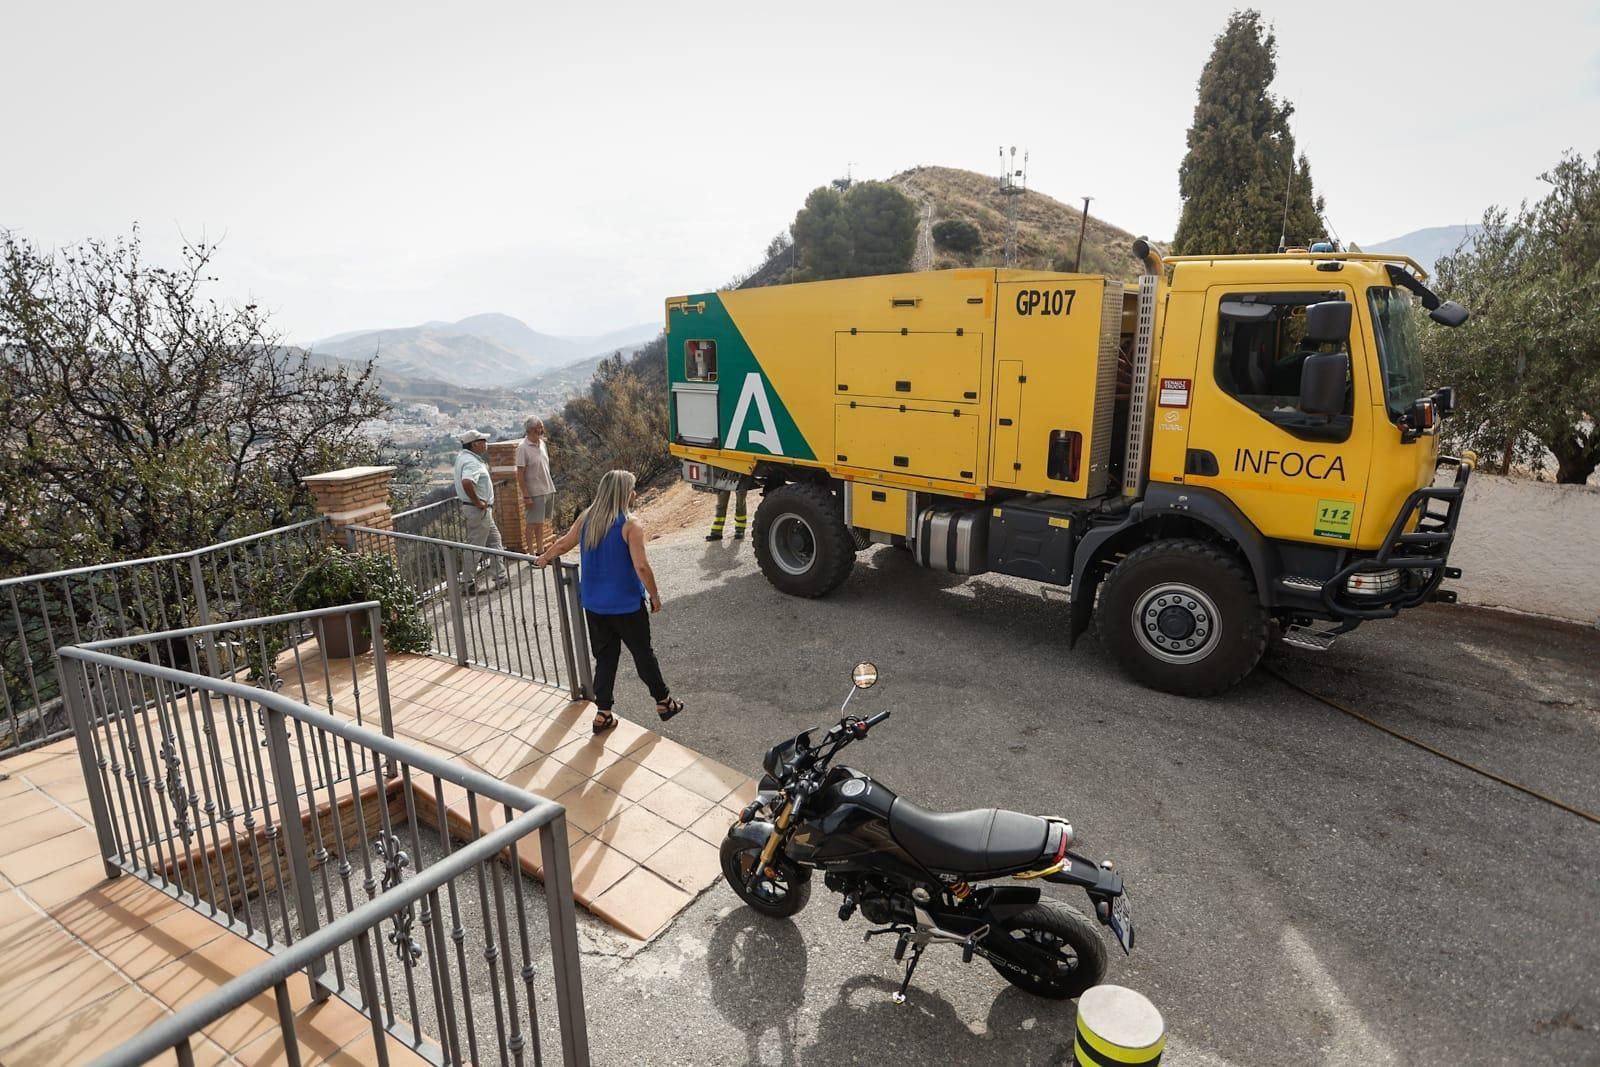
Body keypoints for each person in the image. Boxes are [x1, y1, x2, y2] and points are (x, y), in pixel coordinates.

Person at [534, 469, 683, 733]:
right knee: (642, 655)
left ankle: (603, 713)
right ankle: (663, 701)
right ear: (623, 493)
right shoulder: (630, 524)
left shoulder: (587, 519)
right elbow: (642, 567)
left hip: (594, 605)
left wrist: (545, 558)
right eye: (632, 489)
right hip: (626, 605)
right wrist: (655, 595)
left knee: (605, 658)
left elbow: (563, 544)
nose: (635, 493)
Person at [453, 430, 509, 593]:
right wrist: (478, 501)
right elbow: (467, 482)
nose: (486, 443)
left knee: (495, 541)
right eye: (483, 440)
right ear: (475, 444)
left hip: (477, 510)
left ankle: (500, 577)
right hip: (478, 510)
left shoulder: (463, 457)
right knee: (475, 547)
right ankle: (467, 584)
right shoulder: (472, 462)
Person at [515, 416, 555, 553]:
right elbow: (519, 474)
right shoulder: (522, 448)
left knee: (540, 523)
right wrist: (526, 496)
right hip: (534, 491)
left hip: (547, 488)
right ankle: (531, 554)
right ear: (531, 430)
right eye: (540, 429)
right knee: (531, 524)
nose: (542, 431)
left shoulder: (542, 444)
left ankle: (540, 551)